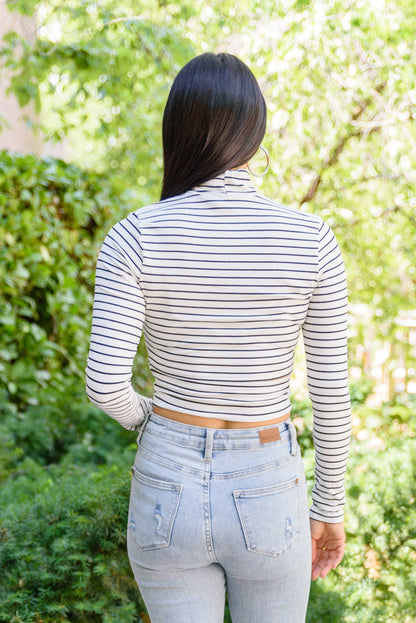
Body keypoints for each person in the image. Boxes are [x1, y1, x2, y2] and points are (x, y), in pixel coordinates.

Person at [86, 52, 351, 622]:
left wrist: (155, 425)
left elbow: (105, 385)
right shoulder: (311, 240)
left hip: (167, 474)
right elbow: (332, 398)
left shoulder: (134, 235)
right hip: (267, 476)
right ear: (254, 132)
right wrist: (328, 508)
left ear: (175, 131)